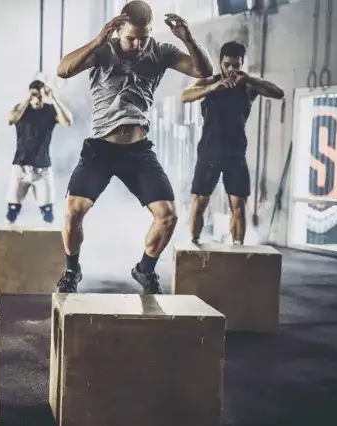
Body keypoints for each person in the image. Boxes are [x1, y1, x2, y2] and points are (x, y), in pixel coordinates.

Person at [55, 0, 213, 294]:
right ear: (117, 30)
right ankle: (72, 270)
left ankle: (145, 269)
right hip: (101, 148)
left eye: (144, 37)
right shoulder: (103, 50)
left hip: (138, 150)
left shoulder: (160, 51)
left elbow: (203, 71)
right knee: (73, 211)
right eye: (131, 38)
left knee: (168, 216)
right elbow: (63, 70)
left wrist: (189, 39)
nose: (138, 45)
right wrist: (97, 40)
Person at [181, 41, 284, 246]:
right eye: (227, 64)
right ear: (220, 62)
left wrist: (250, 78)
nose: (230, 69)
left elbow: (278, 93)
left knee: (238, 207)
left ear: (242, 64)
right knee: (199, 203)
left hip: (235, 154)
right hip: (209, 152)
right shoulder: (210, 81)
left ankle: (238, 248)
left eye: (236, 65)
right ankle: (193, 244)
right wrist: (213, 87)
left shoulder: (248, 86)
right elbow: (185, 96)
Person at [5, 80, 73, 224]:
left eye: (40, 96)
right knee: (12, 211)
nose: (38, 99)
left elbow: (67, 121)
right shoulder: (21, 109)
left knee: (48, 213)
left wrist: (54, 98)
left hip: (42, 167)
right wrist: (27, 99)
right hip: (21, 166)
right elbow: (11, 119)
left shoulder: (49, 110)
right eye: (35, 95)